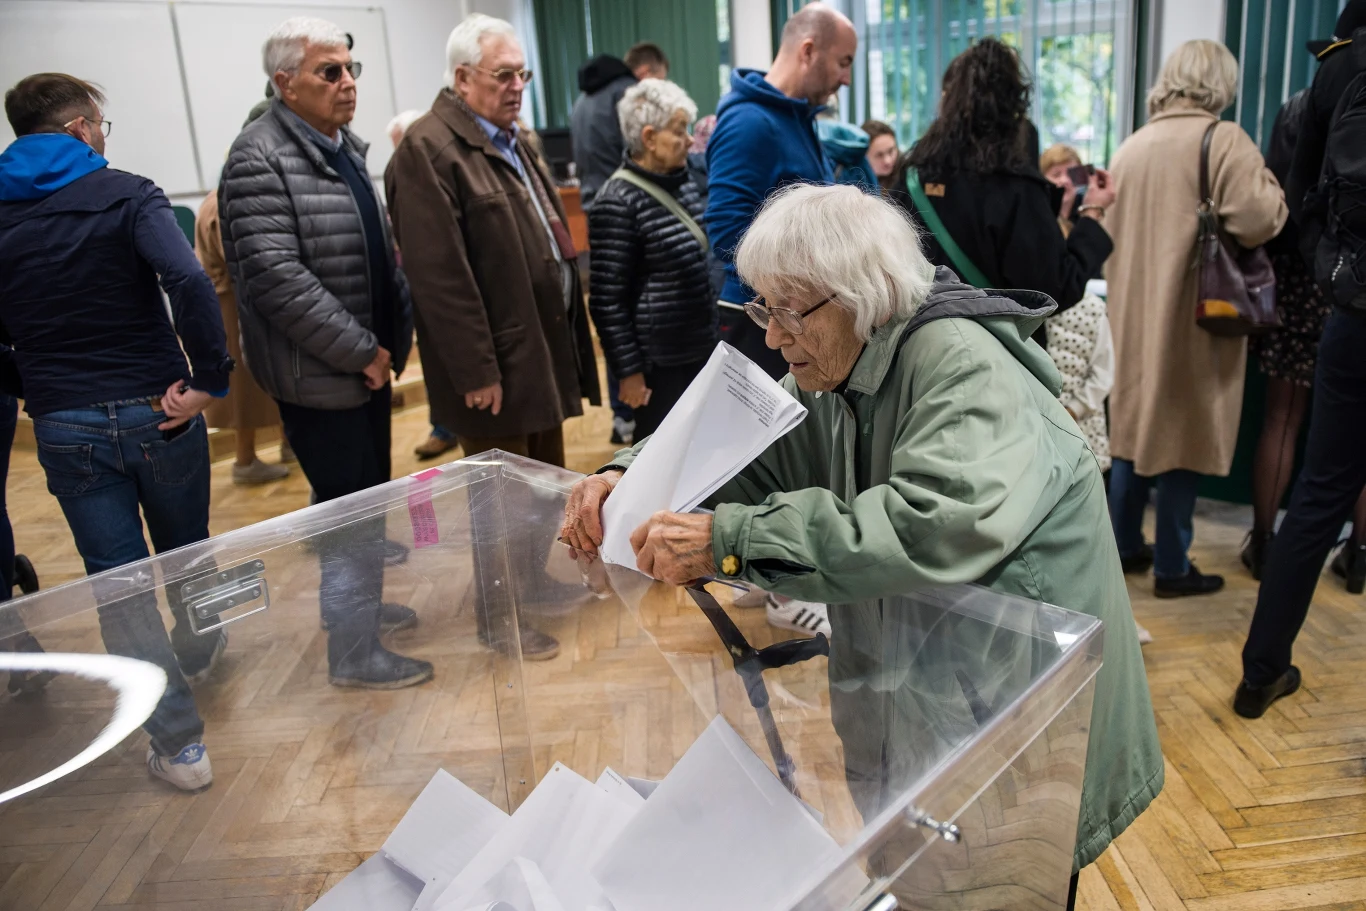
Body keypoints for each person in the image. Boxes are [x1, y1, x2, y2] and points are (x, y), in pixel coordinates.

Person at [561, 185, 1163, 902]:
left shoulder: (963, 365)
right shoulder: (845, 362)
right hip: (944, 697)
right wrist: (624, 479)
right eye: (764, 308)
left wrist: (732, 540)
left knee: (1007, 886)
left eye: (787, 312)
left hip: (1018, 711)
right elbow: (748, 446)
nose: (773, 336)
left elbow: (926, 522)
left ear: (860, 294)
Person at [0, 73, 235, 790]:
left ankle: (181, 745)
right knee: (187, 550)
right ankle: (200, 645)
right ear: (79, 128)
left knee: (120, 585)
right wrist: (209, 381)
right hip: (157, 409)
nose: (105, 136)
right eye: (102, 124)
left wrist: (33, 387)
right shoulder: (128, 191)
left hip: (65, 423)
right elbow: (189, 281)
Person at [219, 17, 431, 690]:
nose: (347, 83)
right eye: (328, 72)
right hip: (320, 373)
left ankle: (361, 614)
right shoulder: (258, 158)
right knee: (346, 517)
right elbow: (278, 281)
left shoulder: (338, 146)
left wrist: (393, 337)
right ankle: (352, 650)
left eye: (350, 69)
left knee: (365, 505)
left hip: (362, 363)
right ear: (284, 82)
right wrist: (361, 349)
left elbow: (376, 251)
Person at [385, 14, 601, 660]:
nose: (516, 86)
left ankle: (530, 583)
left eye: (522, 74)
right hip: (496, 363)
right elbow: (439, 276)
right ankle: (497, 616)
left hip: (539, 349)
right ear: (462, 78)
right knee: (498, 505)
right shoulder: (428, 149)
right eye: (503, 75)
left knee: (538, 487)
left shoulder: (510, 137)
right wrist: (476, 367)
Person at [1104, 40, 1287, 598]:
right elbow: (1259, 220)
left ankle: (1122, 547)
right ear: (1220, 83)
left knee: (1132, 433)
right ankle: (1174, 566)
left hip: (1132, 317)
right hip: (1191, 319)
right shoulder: (1223, 139)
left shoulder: (1132, 146)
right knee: (1183, 434)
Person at [1236, 20, 1366, 718]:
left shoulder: (1336, 69)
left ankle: (1260, 672)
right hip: (1339, 302)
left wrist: (1331, 275)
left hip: (1350, 307)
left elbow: (1298, 193)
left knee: (1316, 494)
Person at [888, 38, 1115, 348]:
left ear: (947, 101)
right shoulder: (1016, 188)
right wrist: (1092, 212)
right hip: (998, 355)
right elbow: (1053, 291)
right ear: (1014, 104)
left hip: (922, 348)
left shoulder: (911, 175)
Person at [707, 2, 857, 379]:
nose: (847, 78)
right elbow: (727, 233)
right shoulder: (748, 123)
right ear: (808, 51)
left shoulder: (798, 118)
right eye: (844, 62)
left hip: (797, 313)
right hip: (761, 320)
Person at [588, 79, 716, 440]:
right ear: (648, 137)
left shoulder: (682, 181)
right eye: (679, 131)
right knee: (660, 458)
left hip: (695, 348)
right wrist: (629, 373)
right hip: (658, 364)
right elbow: (606, 300)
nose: (690, 140)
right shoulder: (617, 201)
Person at [195, 189, 290, 485]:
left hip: (232, 301)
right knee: (244, 387)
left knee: (268, 378)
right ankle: (245, 459)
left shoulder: (215, 201)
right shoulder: (221, 205)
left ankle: (288, 445)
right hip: (233, 304)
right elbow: (237, 256)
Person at [571, 42, 670, 209]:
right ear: (646, 74)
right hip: (626, 206)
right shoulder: (630, 95)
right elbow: (642, 158)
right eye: (660, 82)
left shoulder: (582, 100)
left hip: (593, 203)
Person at [860, 119, 898, 192]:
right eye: (879, 155)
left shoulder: (908, 174)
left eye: (891, 151)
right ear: (864, 157)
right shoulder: (852, 182)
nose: (888, 161)